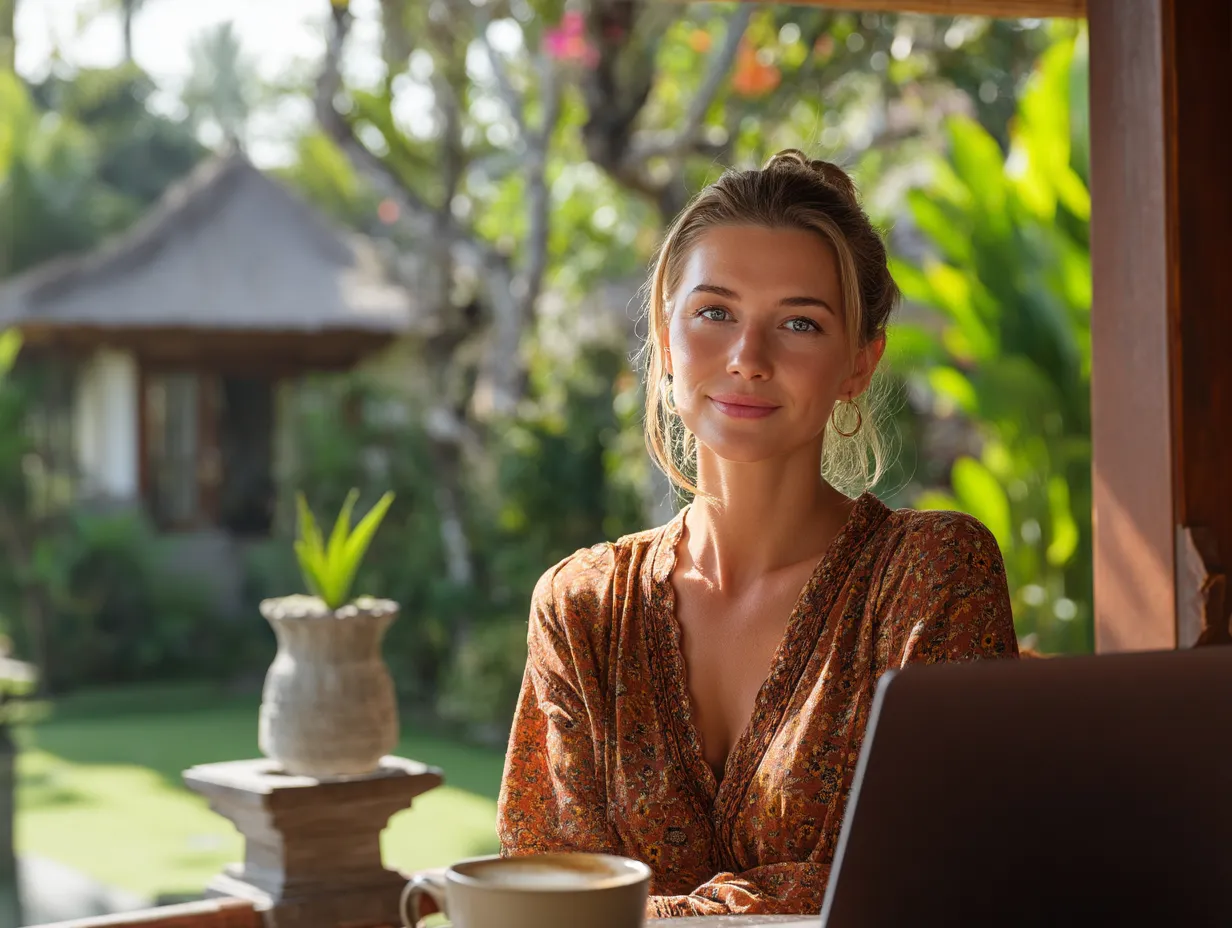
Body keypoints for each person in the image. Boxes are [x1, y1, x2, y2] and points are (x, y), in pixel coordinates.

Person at [496, 149, 1019, 918]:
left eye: (800, 323)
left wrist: (648, 913)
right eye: (715, 313)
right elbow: (544, 897)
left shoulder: (930, 576)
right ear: (667, 343)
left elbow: (936, 876)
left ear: (858, 365)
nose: (748, 358)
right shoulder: (583, 610)